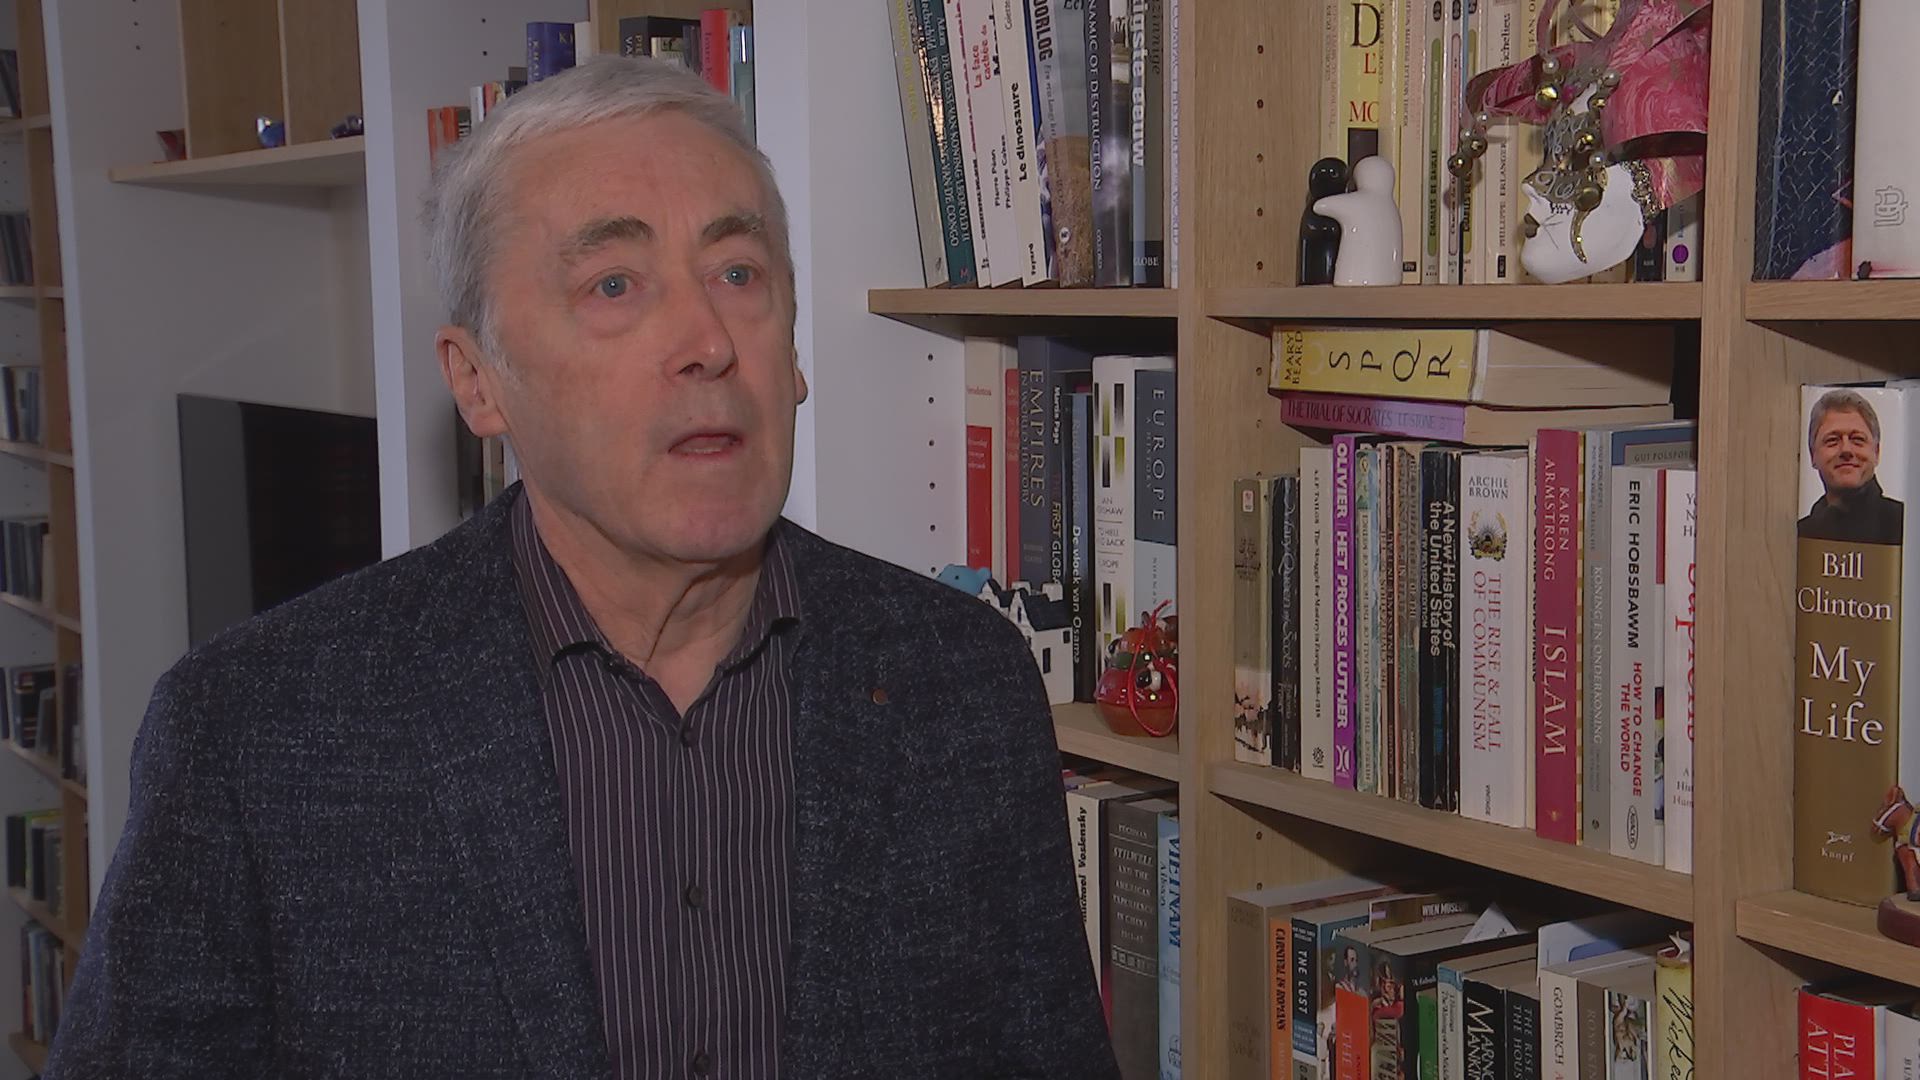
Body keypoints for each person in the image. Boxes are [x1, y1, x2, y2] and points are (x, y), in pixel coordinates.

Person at [45, 58, 1118, 1080]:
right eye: (614, 284)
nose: (707, 339)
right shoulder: (254, 731)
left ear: (792, 349)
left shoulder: (958, 682)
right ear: (479, 382)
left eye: (736, 273)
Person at [1799, 388, 1905, 545]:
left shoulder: (1907, 524)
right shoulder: (1797, 535)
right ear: (1812, 455)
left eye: (1857, 439)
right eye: (1832, 440)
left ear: (1876, 452)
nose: (1846, 450)